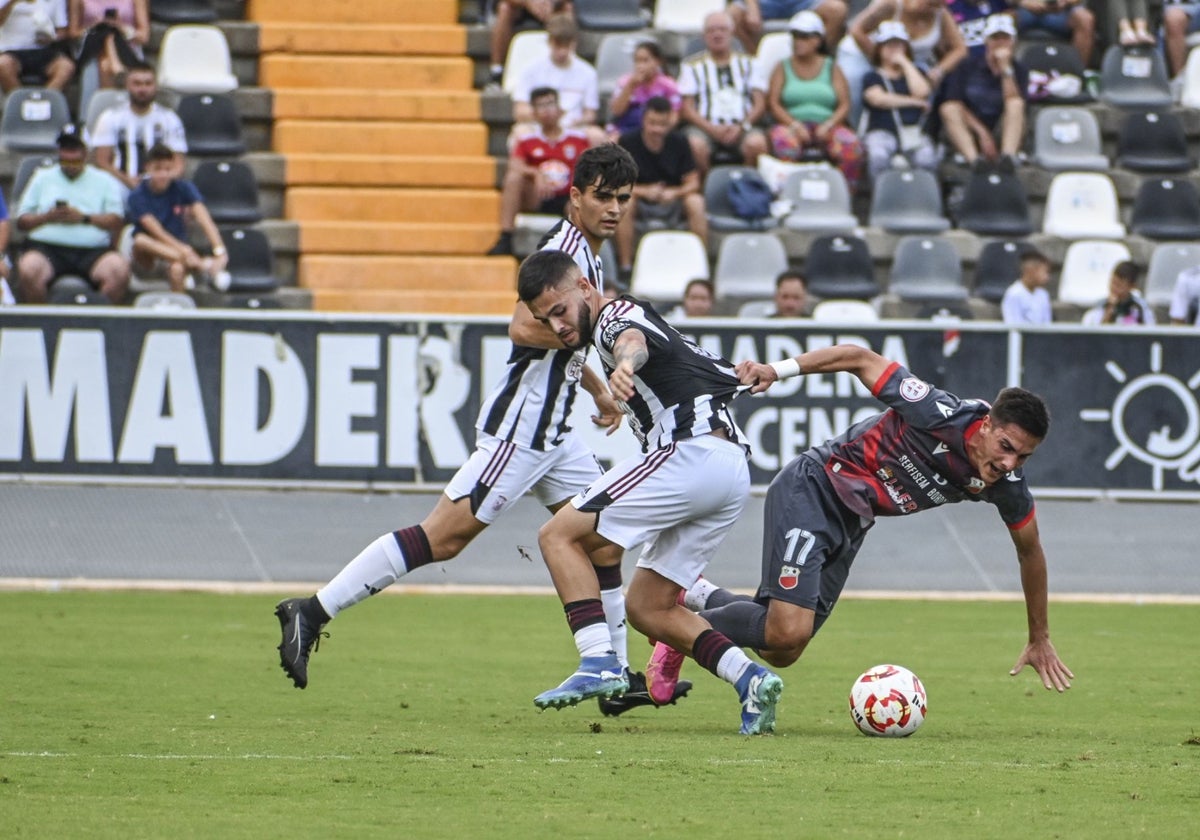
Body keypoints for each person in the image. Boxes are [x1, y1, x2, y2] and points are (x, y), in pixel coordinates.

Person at [275, 145, 693, 717]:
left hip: (556, 434)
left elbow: (567, 334)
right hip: (521, 429)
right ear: (575, 197)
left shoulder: (588, 255)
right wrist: (590, 341)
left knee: (602, 539)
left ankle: (618, 678)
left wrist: (595, 387)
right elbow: (522, 325)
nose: (615, 209)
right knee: (443, 537)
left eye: (623, 198)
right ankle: (311, 610)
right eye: (603, 197)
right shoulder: (564, 250)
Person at [644, 343, 1075, 709]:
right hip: (814, 488)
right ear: (985, 426)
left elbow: (1030, 551)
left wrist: (1040, 636)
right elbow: (856, 357)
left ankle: (698, 595)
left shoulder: (1007, 484)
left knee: (783, 649)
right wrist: (776, 370)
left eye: (1023, 457)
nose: (1009, 463)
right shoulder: (937, 411)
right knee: (785, 628)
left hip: (852, 520)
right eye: (1006, 447)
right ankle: (678, 634)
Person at [517, 248, 785, 736]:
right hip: (728, 471)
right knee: (648, 606)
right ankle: (750, 679)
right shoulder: (613, 325)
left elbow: (631, 341)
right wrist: (607, 386)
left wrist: (624, 365)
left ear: (584, 288)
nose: (556, 326)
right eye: (544, 319)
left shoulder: (613, 318)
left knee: (557, 537)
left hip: (688, 454)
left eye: (558, 311)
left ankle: (599, 660)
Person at [15, 125, 128, 304]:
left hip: (93, 250)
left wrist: (83, 218)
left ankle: (100, 320)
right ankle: (44, 323)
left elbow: (116, 220)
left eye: (74, 150)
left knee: (118, 270)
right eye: (66, 150)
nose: (69, 157)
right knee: (29, 269)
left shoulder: (104, 180)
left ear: (84, 153)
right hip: (47, 248)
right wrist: (47, 217)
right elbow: (22, 221)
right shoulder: (41, 176)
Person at [766, 11, 863, 192]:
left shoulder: (831, 67)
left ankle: (843, 195)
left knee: (851, 147)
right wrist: (794, 125)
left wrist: (829, 124)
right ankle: (788, 195)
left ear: (817, 40)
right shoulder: (782, 67)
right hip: (791, 124)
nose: (798, 41)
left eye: (804, 37)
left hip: (827, 125)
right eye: (795, 36)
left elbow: (844, 104)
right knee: (785, 144)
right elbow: (773, 103)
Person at [487, 86, 590, 256]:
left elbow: (589, 169)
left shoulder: (578, 139)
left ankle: (583, 251)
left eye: (550, 104)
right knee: (514, 179)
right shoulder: (527, 140)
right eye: (541, 106)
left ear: (559, 109)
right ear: (533, 113)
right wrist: (535, 174)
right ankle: (505, 236)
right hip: (536, 195)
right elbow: (515, 166)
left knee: (584, 195)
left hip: (568, 196)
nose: (547, 111)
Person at [838, 0, 968, 128]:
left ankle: (916, 132)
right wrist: (882, 61)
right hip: (863, 52)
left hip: (910, 61)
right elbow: (856, 30)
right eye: (929, 3)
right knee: (854, 83)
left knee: (926, 85)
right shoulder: (891, 4)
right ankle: (853, 128)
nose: (932, 8)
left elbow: (960, 49)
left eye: (938, 4)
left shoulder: (940, 12)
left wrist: (939, 70)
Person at [616, 96, 707, 276]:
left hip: (673, 198)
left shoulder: (680, 141)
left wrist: (675, 193)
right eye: (652, 123)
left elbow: (693, 182)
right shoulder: (627, 142)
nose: (657, 129)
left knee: (696, 202)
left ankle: (701, 262)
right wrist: (644, 191)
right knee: (624, 203)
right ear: (643, 120)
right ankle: (625, 265)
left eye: (662, 124)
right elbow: (617, 184)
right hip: (640, 197)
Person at [677, 10, 769, 177]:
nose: (717, 34)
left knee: (757, 143)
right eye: (711, 30)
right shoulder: (691, 66)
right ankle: (707, 187)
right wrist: (711, 129)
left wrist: (742, 126)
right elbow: (687, 108)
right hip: (705, 127)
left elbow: (760, 104)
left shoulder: (750, 63)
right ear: (704, 35)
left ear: (732, 33)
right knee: (694, 144)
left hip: (743, 125)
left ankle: (748, 184)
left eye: (722, 29)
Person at [127, 142, 228, 293]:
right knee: (140, 240)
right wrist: (185, 252)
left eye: (167, 169)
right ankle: (202, 266)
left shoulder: (182, 188)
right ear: (147, 168)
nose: (163, 175)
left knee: (177, 269)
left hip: (178, 255)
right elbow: (155, 231)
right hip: (149, 257)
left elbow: (204, 218)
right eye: (158, 169)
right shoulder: (137, 195)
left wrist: (219, 250)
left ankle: (180, 308)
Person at [938, 13, 1027, 167]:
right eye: (995, 38)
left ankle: (1008, 157)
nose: (1000, 43)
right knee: (948, 108)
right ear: (986, 40)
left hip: (1002, 126)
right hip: (972, 127)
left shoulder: (1019, 70)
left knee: (1016, 104)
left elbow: (1015, 101)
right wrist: (982, 132)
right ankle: (974, 161)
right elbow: (955, 101)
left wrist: (1006, 69)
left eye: (1005, 38)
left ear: (1013, 41)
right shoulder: (967, 66)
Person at [88, 60, 188, 193]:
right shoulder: (110, 117)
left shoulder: (169, 119)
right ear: (127, 86)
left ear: (155, 86)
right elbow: (102, 162)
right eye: (137, 84)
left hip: (159, 187)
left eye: (148, 84)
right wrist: (126, 180)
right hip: (119, 185)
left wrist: (158, 181)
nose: (142, 89)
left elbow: (178, 165)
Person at [509, 13, 602, 147]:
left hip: (572, 126)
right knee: (520, 133)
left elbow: (590, 114)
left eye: (567, 46)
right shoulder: (530, 69)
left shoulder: (588, 72)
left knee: (597, 136)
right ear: (549, 41)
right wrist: (544, 116)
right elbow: (519, 111)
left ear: (574, 43)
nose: (562, 52)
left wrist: (574, 120)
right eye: (558, 45)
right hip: (538, 126)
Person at [860, 21, 938, 179]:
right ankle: (881, 197)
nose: (893, 49)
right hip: (882, 130)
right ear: (879, 48)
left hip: (914, 131)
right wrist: (914, 102)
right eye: (888, 45)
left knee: (927, 159)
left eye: (898, 45)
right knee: (878, 156)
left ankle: (923, 199)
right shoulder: (872, 76)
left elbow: (922, 92)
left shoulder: (917, 72)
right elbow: (878, 99)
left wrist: (905, 63)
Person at [486, 0, 572, 88]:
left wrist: (550, 2)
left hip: (550, 5)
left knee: (567, 8)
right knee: (504, 8)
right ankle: (497, 72)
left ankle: (567, 65)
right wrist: (528, 2)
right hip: (518, 7)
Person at [606, 39, 680, 138]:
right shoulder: (624, 82)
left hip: (657, 130)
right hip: (626, 128)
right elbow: (617, 111)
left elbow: (674, 115)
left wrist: (659, 129)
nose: (640, 66)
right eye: (637, 61)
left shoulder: (668, 84)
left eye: (645, 60)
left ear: (658, 62)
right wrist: (631, 86)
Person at [69, 0, 148, 89]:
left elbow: (144, 37)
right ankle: (116, 66)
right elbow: (73, 33)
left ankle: (113, 62)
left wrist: (120, 27)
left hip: (126, 48)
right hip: (91, 47)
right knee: (104, 31)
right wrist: (94, 26)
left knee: (105, 64)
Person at [0, 0, 74, 93]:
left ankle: (44, 101)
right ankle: (21, 102)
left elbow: (61, 31)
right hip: (11, 49)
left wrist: (51, 38)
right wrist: (12, 2)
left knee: (66, 67)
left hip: (42, 50)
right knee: (2, 64)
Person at [729, 0, 849, 52]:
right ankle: (755, 60)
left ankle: (816, 60)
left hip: (802, 2)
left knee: (837, 10)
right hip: (765, 3)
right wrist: (752, 7)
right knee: (732, 15)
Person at [1012, 0, 1094, 66]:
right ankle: (1006, 74)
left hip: (1060, 12)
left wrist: (1064, 2)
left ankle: (1078, 72)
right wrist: (1024, 2)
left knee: (1085, 19)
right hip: (1026, 10)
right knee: (1005, 18)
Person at [1081, 261, 1155, 325]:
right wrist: (1109, 311)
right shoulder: (1099, 308)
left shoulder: (1140, 309)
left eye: (1119, 286)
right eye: (1112, 283)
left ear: (1132, 286)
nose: (1114, 288)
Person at [1000, 248, 1053, 324]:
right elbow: (1012, 325)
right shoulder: (1014, 294)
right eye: (1045, 272)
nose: (1047, 277)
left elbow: (1047, 324)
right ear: (1030, 271)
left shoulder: (1043, 294)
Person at [947, 0, 1014, 57]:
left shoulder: (995, 3)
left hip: (992, 60)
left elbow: (1010, 19)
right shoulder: (950, 6)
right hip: (963, 63)